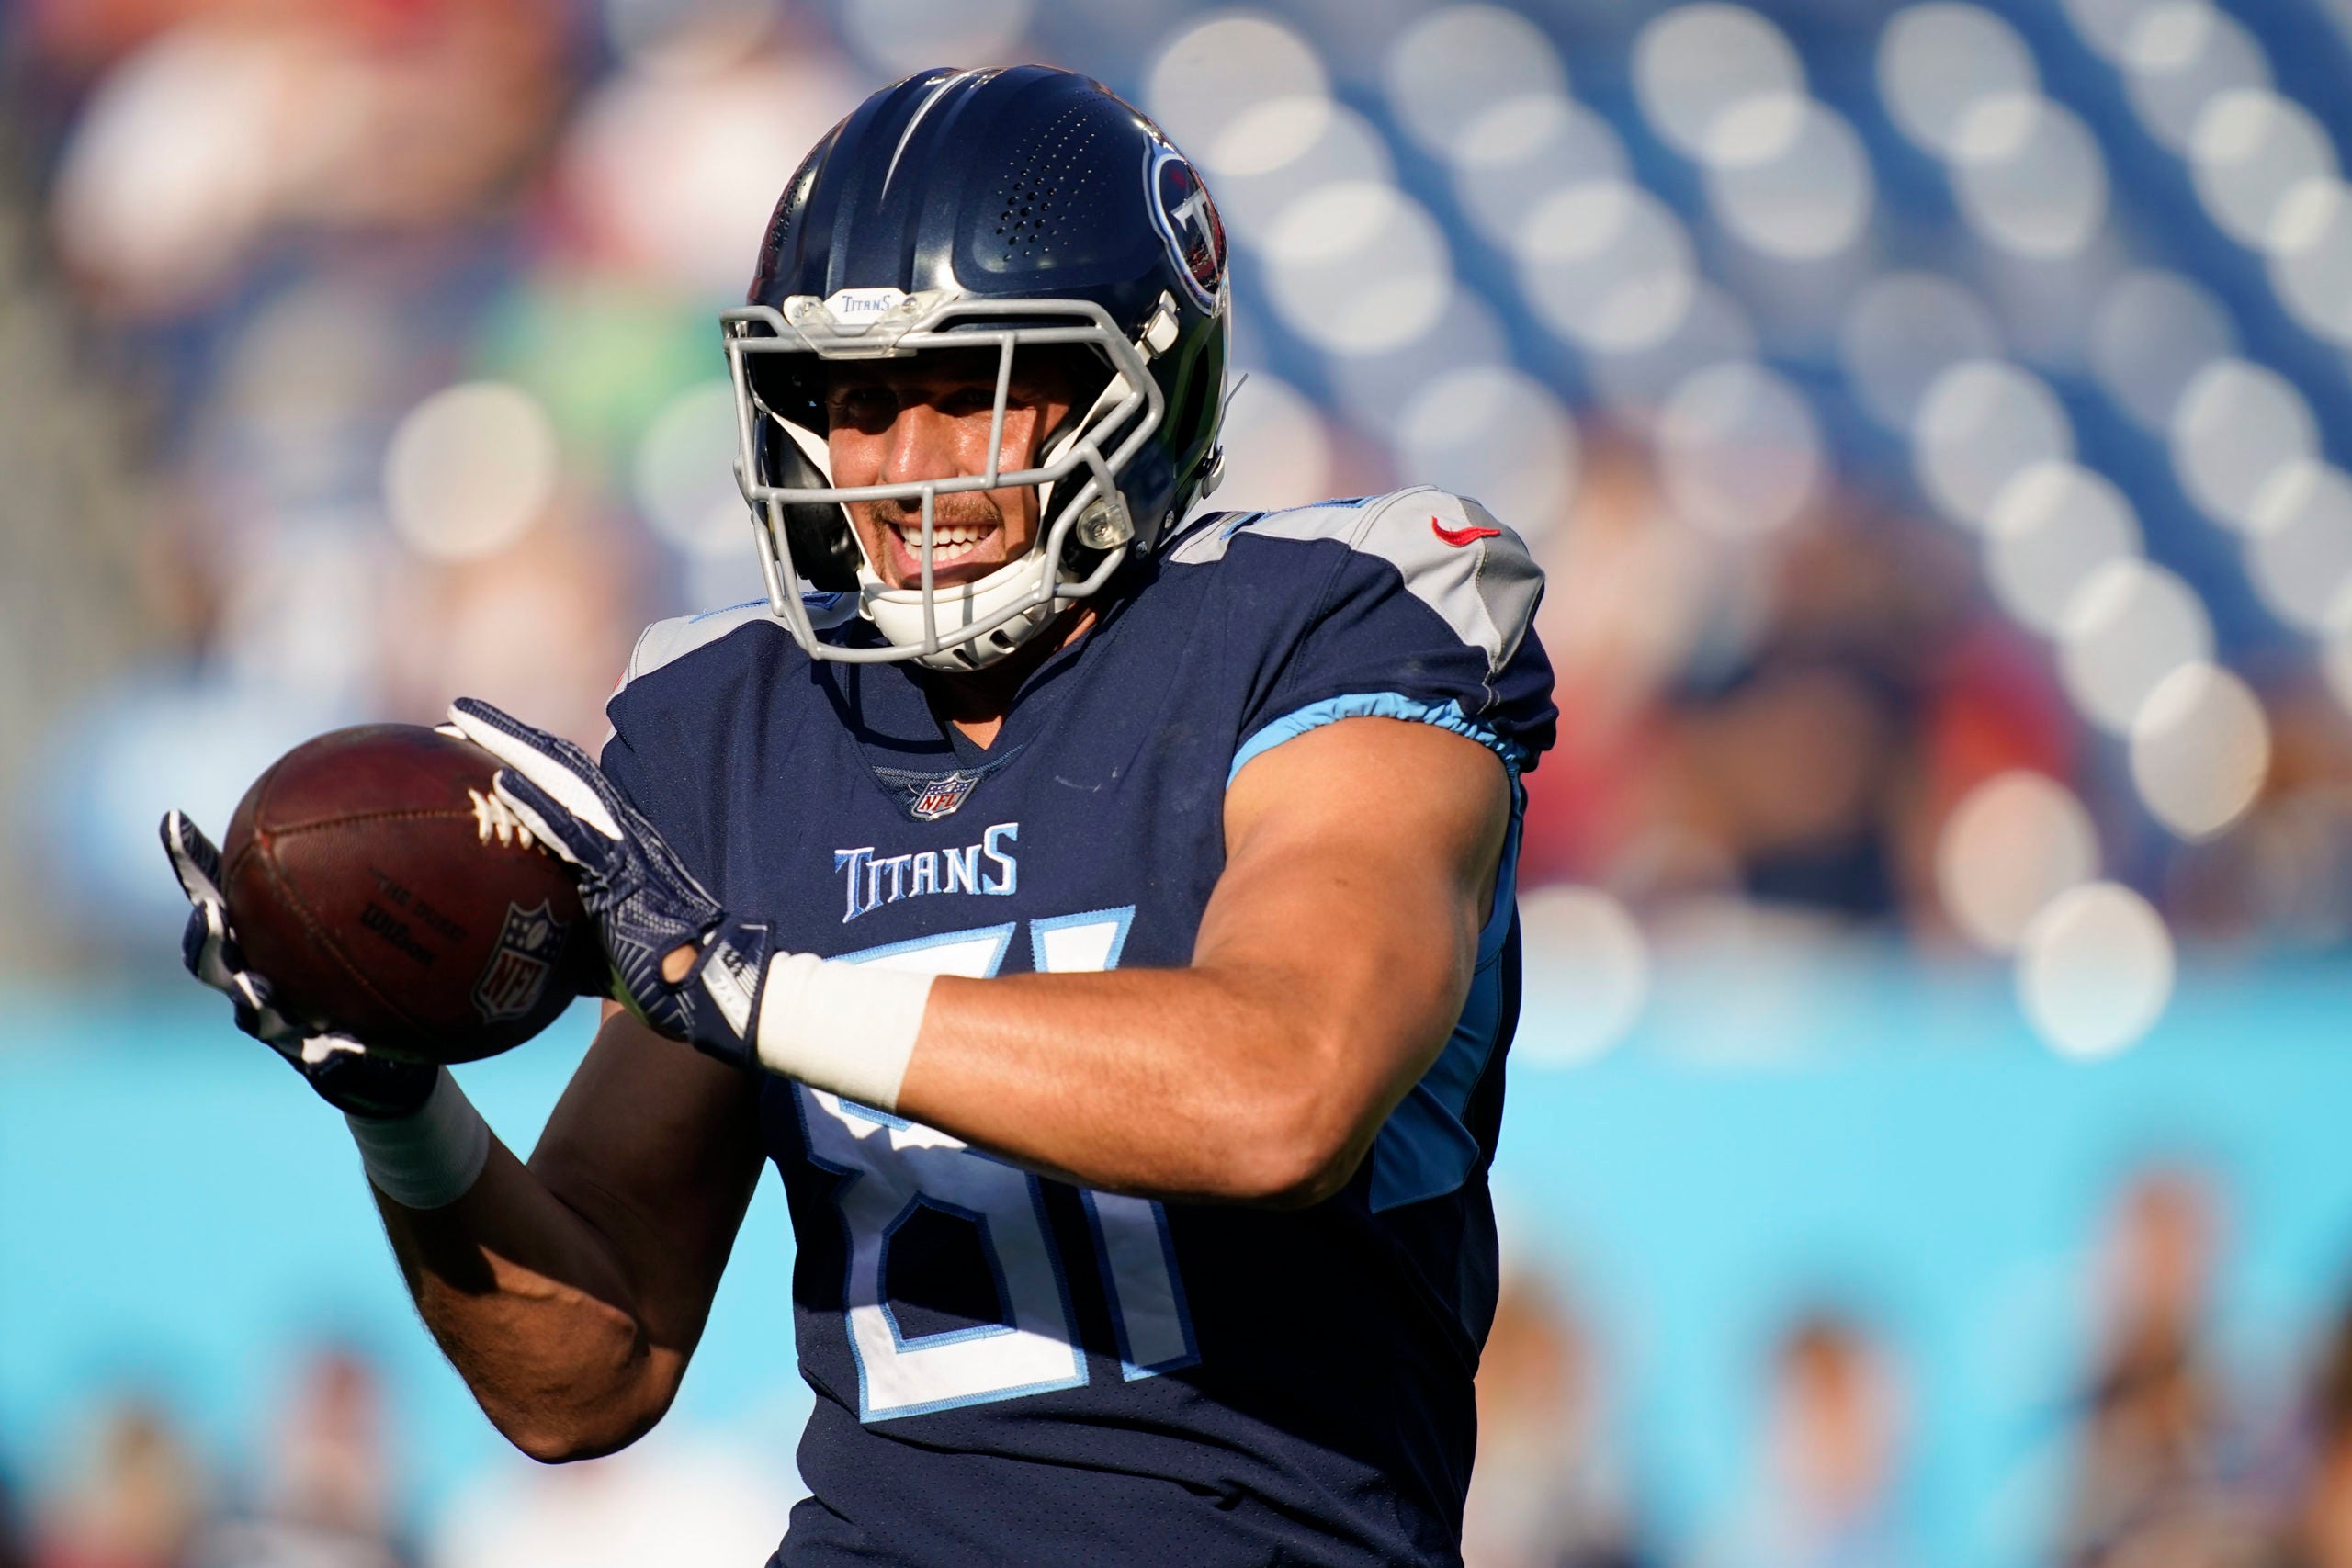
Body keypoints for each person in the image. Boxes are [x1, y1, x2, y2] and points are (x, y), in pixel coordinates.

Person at [161, 66, 1555, 1566]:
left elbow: (1285, 1087)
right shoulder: (734, 722)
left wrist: (754, 989)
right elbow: (586, 1373)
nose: (905, 468)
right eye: (857, 400)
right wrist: (402, 1108)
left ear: (1141, 384)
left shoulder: (1334, 626)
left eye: (974, 391)